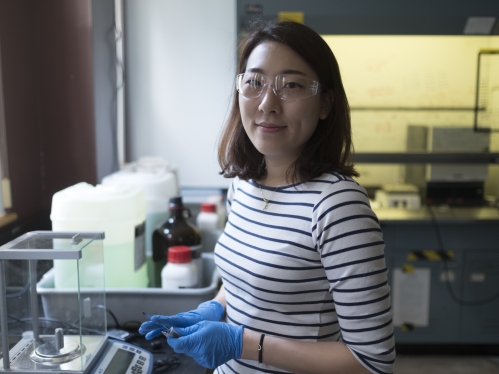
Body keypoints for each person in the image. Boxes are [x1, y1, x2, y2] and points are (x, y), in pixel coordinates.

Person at [139, 20, 395, 374]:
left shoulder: (337, 205)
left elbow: (372, 362)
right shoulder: (243, 185)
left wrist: (242, 343)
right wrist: (212, 308)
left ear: (325, 103)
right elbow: (247, 286)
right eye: (254, 83)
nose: (267, 104)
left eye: (291, 85)